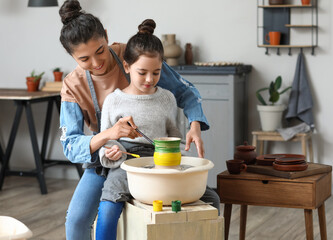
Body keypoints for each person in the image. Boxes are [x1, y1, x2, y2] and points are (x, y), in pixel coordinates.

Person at [58, 1, 220, 240]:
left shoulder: (133, 54)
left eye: (100, 51)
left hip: (152, 155)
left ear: (106, 36)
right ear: (72, 56)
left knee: (207, 199)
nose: (96, 63)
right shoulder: (72, 85)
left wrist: (194, 125)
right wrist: (109, 135)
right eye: (84, 59)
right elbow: (70, 145)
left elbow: (185, 92)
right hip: (106, 159)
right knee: (77, 220)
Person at [96, 19, 185, 239]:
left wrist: (176, 159)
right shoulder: (113, 101)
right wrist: (111, 152)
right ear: (126, 66)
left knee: (210, 198)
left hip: (161, 163)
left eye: (156, 72)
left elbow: (178, 140)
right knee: (108, 205)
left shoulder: (167, 99)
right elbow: (106, 141)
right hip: (125, 165)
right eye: (142, 72)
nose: (149, 79)